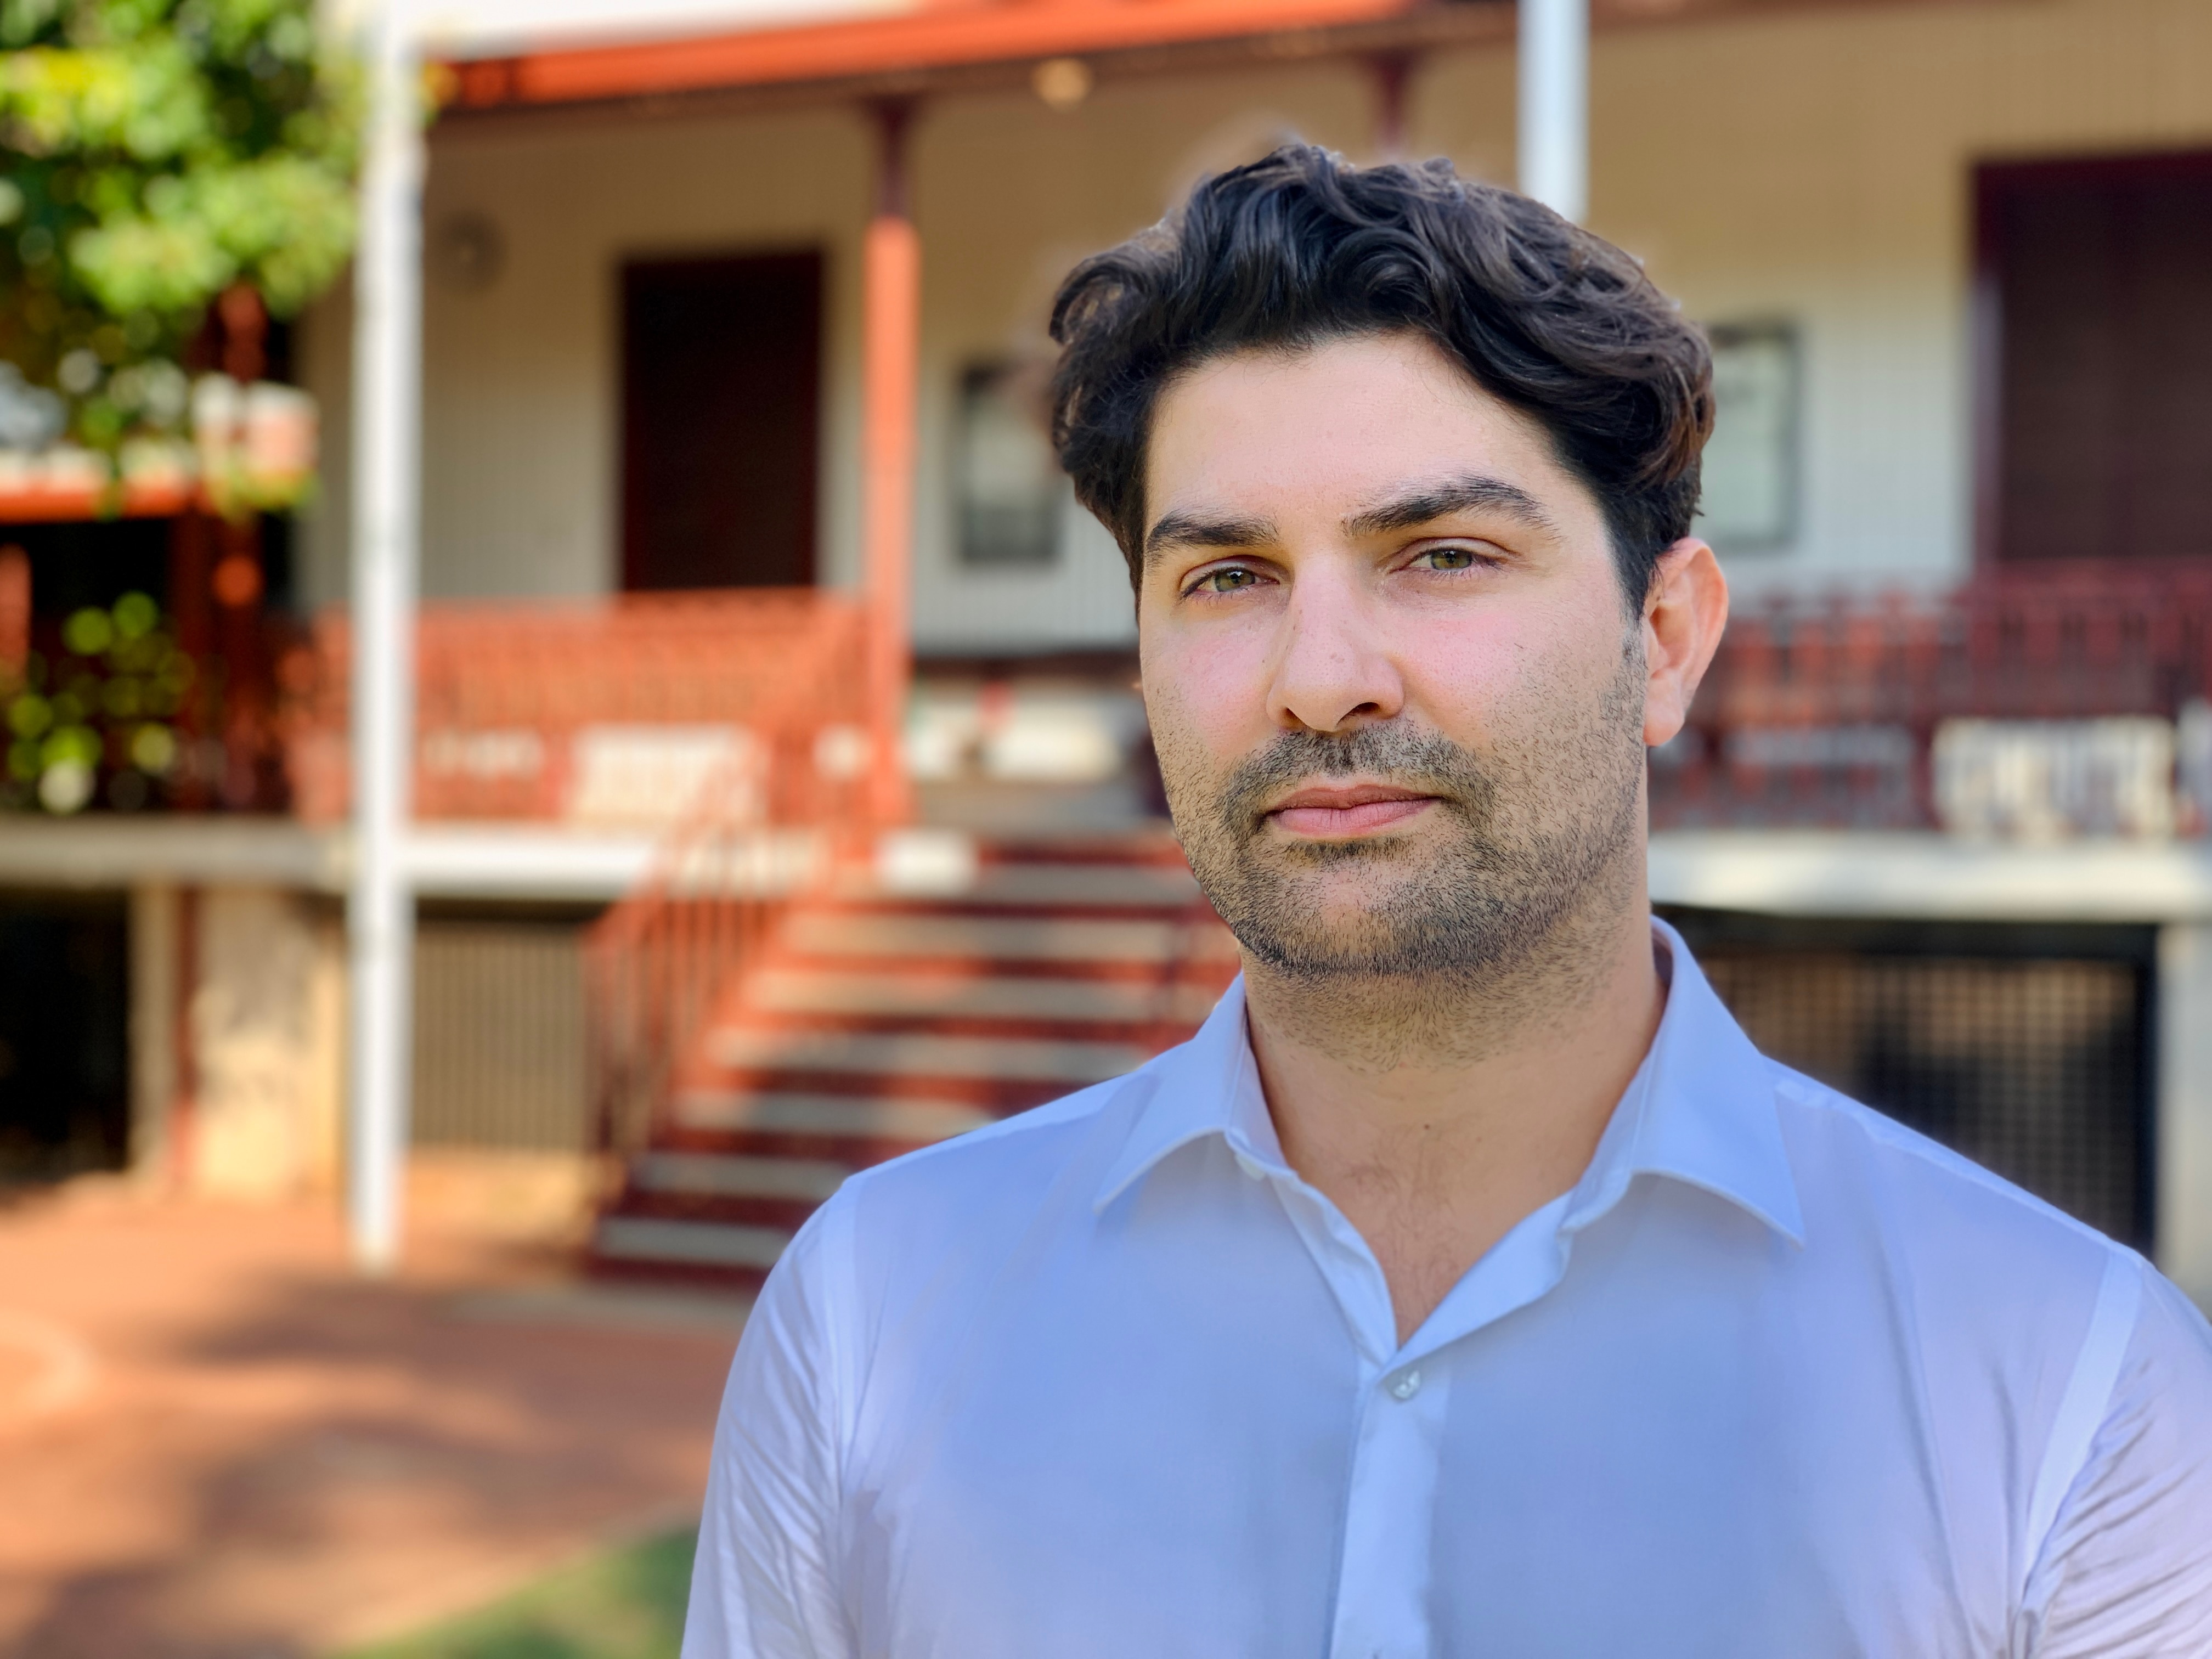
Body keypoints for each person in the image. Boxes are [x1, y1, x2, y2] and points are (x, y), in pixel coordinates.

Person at [682, 146, 2212, 1657]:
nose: (1321, 680)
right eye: (1227, 577)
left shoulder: (2066, 1388)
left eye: (1441, 556)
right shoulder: (871, 1318)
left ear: (1665, 638)